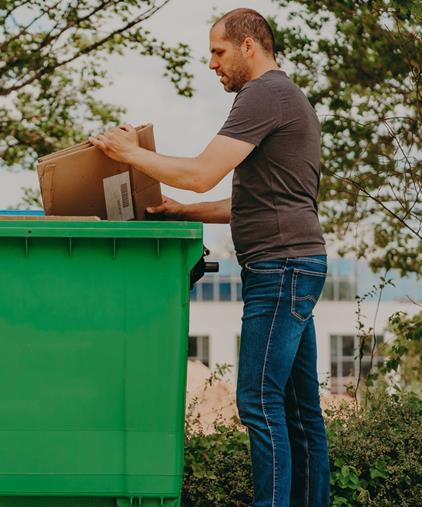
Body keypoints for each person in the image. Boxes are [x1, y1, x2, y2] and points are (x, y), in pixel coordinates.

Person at [89, 8, 329, 507]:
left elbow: (202, 172)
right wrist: (181, 210)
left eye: (218, 52)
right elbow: (254, 202)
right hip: (295, 264)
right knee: (299, 412)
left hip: (280, 269)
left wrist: (128, 153)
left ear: (249, 46)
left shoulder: (263, 93)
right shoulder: (288, 98)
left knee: (258, 402)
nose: (212, 64)